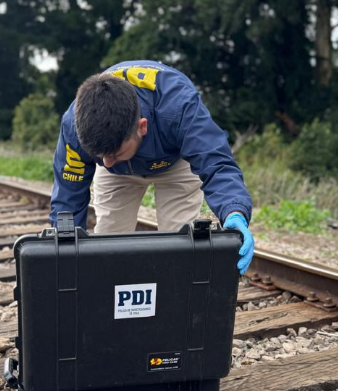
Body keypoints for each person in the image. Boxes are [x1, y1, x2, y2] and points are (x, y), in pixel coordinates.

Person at [49, 60, 254, 275]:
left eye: (114, 153)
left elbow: (216, 163)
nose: (105, 164)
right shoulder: (75, 125)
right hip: (119, 173)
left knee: (180, 246)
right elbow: (69, 194)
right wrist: (64, 247)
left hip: (174, 162)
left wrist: (234, 212)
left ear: (142, 127)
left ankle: (173, 291)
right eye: (100, 157)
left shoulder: (180, 108)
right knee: (110, 242)